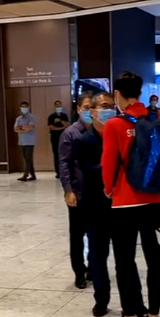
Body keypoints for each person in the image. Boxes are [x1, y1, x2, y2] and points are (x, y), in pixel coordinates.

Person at [102, 71, 160, 317]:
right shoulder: (158, 118)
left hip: (125, 202)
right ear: (140, 93)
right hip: (156, 199)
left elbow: (108, 163)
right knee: (155, 257)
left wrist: (109, 189)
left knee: (125, 259)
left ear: (117, 94)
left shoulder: (115, 124)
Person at [75, 93, 116, 316]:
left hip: (120, 206)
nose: (108, 110)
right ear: (93, 111)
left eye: (111, 106)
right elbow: (88, 170)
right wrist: (111, 164)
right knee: (98, 258)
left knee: (125, 258)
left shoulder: (120, 135)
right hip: (95, 206)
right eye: (104, 106)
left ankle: (134, 301)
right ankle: (101, 300)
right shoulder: (84, 140)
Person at [59, 94, 92, 289]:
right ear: (78, 109)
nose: (89, 111)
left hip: (97, 193)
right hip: (78, 193)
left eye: (92, 107)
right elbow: (64, 163)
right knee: (77, 236)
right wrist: (68, 190)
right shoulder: (70, 133)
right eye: (86, 107)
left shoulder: (100, 131)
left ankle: (93, 269)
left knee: (97, 235)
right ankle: (79, 272)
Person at [14, 101, 37, 181]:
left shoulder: (32, 117)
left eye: (25, 107)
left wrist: (21, 128)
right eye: (22, 107)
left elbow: (29, 128)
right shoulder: (18, 118)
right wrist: (23, 128)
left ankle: (25, 175)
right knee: (28, 159)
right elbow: (15, 129)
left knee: (28, 159)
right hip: (21, 141)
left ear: (28, 107)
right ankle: (33, 175)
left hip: (29, 141)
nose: (24, 108)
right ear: (20, 108)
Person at [47, 100, 70, 178]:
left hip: (64, 137)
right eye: (57, 106)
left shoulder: (64, 116)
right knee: (56, 154)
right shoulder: (51, 116)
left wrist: (61, 122)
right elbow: (52, 128)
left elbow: (67, 125)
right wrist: (62, 127)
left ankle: (65, 171)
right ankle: (58, 172)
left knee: (64, 154)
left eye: (60, 106)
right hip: (55, 138)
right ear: (54, 106)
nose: (58, 107)